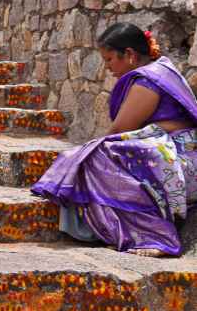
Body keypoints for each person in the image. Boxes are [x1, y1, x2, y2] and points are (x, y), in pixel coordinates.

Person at [32, 23, 197, 257]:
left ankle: (155, 237)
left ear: (129, 55)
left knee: (97, 156)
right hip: (180, 154)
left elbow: (120, 130)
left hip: (182, 162)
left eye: (109, 60)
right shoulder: (161, 71)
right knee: (94, 154)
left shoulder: (147, 82)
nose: (107, 68)